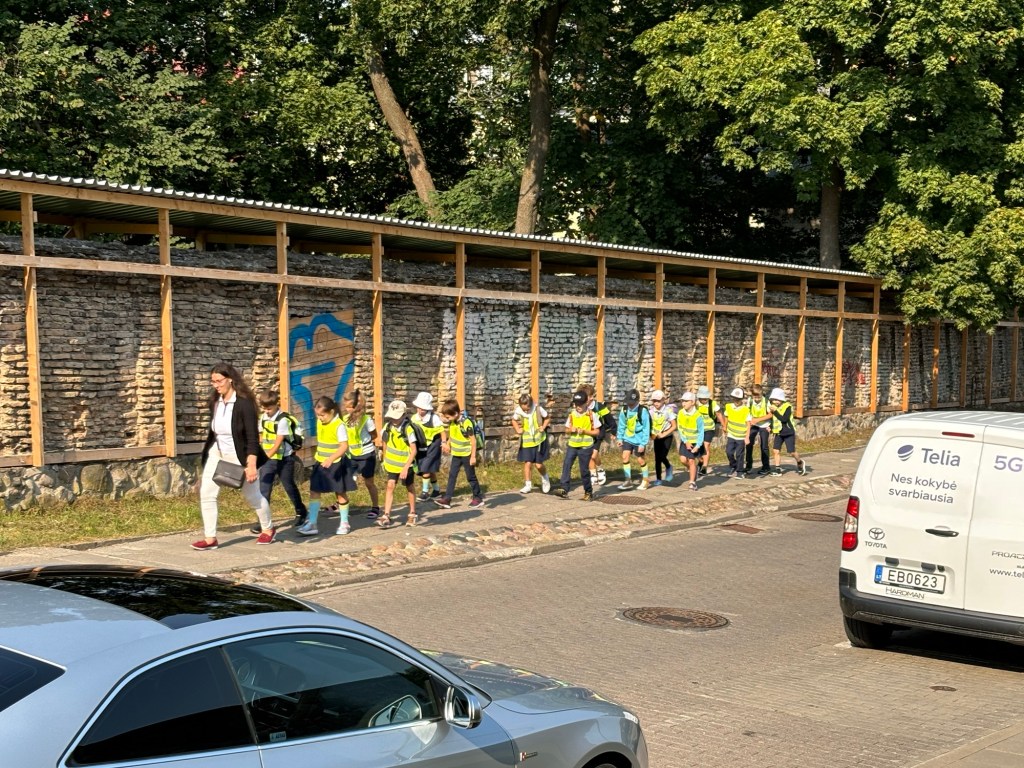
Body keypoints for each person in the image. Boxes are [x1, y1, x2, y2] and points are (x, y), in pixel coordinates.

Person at [192, 362, 273, 551]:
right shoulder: (215, 402)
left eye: (219, 381)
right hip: (217, 454)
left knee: (253, 496)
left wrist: (251, 465)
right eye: (213, 381)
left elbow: (252, 438)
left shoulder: (244, 404)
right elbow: (214, 432)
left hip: (240, 457)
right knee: (207, 493)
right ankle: (210, 538)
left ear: (230, 379)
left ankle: (268, 529)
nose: (216, 385)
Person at [297, 396, 356, 536]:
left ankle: (344, 523)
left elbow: (344, 446)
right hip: (320, 462)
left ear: (331, 411)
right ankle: (312, 523)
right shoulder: (320, 422)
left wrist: (331, 458)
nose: (319, 418)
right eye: (317, 415)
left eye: (322, 415)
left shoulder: (339, 425)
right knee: (314, 491)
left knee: (340, 493)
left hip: (336, 464)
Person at [254, 389, 307, 530]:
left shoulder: (282, 420)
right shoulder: (263, 417)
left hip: (284, 459)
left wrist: (265, 456)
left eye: (269, 408)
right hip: (269, 460)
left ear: (276, 404)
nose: (267, 411)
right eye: (264, 408)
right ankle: (263, 521)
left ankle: (301, 511)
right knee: (264, 489)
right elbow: (261, 435)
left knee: (289, 486)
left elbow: (278, 442)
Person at [434, 399, 484, 509]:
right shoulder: (453, 422)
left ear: (456, 414)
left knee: (470, 477)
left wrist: (473, 456)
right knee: (452, 475)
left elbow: (473, 441)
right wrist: (448, 445)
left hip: (467, 454)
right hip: (456, 454)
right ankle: (447, 499)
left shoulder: (466, 423)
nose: (447, 419)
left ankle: (478, 498)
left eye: (448, 417)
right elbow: (452, 436)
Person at [377, 399, 419, 527]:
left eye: (397, 417)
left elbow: (414, 450)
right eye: (392, 417)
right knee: (390, 486)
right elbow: (384, 442)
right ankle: (386, 515)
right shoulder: (387, 427)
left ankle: (412, 513)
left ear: (404, 415)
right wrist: (384, 458)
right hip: (392, 465)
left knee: (409, 487)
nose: (394, 420)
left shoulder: (408, 429)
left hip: (406, 465)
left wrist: (406, 467)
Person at [554, 390, 601, 500]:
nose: (578, 407)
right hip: (573, 445)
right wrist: (571, 430)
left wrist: (584, 431)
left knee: (584, 470)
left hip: (585, 446)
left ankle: (588, 492)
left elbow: (597, 432)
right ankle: (564, 489)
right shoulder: (572, 415)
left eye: (580, 404)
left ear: (586, 403)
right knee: (567, 465)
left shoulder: (592, 415)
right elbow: (566, 429)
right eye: (576, 404)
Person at [342, 388, 381, 519]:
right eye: (345, 406)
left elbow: (374, 435)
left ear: (356, 406)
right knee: (344, 479)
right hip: (352, 454)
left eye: (349, 407)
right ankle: (340, 503)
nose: (347, 409)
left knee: (369, 482)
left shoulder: (366, 419)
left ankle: (375, 507)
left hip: (366, 454)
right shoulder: (344, 419)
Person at [512, 393, 551, 494]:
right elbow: (514, 420)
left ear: (530, 405)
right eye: (523, 409)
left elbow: (547, 418)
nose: (525, 411)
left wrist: (543, 427)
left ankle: (545, 478)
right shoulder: (519, 411)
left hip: (539, 440)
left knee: (538, 465)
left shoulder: (538, 409)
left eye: (527, 409)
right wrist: (517, 429)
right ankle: (528, 485)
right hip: (527, 441)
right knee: (528, 463)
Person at [411, 392, 446, 501]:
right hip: (421, 445)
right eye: (418, 408)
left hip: (434, 445)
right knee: (429, 468)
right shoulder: (414, 418)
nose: (420, 411)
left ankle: (425, 492)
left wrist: (444, 443)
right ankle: (436, 490)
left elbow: (442, 431)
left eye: (423, 409)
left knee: (426, 468)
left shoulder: (434, 418)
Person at [616, 388, 652, 490]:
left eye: (632, 403)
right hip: (627, 438)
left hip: (639, 440)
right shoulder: (624, 410)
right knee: (625, 457)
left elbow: (646, 428)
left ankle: (645, 480)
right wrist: (620, 438)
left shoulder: (642, 411)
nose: (630, 405)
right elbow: (622, 424)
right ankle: (628, 480)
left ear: (637, 401)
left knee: (640, 460)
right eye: (628, 403)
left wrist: (643, 443)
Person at [768, 387, 807, 476]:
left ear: (781, 399)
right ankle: (778, 470)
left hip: (788, 432)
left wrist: (775, 411)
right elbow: (774, 419)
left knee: (791, 451)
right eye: (773, 400)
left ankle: (800, 462)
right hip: (779, 432)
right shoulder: (774, 407)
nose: (775, 402)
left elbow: (784, 419)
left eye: (777, 400)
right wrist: (771, 427)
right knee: (775, 450)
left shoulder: (787, 406)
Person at [580, 383, 612, 486]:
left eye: (586, 397)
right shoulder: (580, 407)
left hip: (598, 434)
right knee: (589, 454)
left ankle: (600, 468)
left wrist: (614, 431)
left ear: (591, 397)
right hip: (587, 434)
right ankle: (593, 474)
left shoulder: (599, 407)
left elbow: (610, 420)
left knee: (594, 455)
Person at [676, 392, 706, 491]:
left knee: (691, 460)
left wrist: (698, 445)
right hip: (686, 441)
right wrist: (685, 441)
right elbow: (680, 428)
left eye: (686, 401)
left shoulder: (698, 416)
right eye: (682, 401)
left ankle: (692, 482)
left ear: (692, 402)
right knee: (683, 460)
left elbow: (701, 432)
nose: (683, 403)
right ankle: (694, 470)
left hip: (695, 442)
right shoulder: (681, 413)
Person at [722, 387, 752, 478]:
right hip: (731, 434)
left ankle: (740, 471)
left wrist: (747, 437)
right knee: (729, 452)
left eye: (738, 399)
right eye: (735, 398)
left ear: (742, 399)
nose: (736, 401)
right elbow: (726, 417)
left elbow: (748, 424)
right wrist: (725, 426)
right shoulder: (728, 406)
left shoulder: (745, 410)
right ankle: (733, 465)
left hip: (741, 436)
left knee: (739, 454)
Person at [649, 389, 677, 485]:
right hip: (656, 437)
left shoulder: (668, 411)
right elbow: (649, 424)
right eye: (654, 401)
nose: (656, 403)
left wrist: (664, 434)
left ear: (663, 400)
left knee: (662, 456)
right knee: (657, 458)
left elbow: (674, 426)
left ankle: (668, 467)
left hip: (667, 436)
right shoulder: (651, 411)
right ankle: (658, 479)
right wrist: (651, 434)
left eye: (658, 401)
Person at [745, 383, 772, 476]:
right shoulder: (750, 401)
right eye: (755, 397)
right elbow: (747, 413)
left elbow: (770, 414)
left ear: (761, 394)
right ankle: (748, 465)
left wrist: (758, 419)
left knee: (764, 446)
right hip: (753, 424)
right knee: (749, 444)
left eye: (758, 397)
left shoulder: (766, 401)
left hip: (764, 424)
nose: (756, 399)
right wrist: (750, 422)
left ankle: (766, 467)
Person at [695, 385, 720, 475]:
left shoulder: (713, 404)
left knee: (706, 446)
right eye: (702, 399)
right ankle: (700, 461)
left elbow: (719, 415)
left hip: (709, 429)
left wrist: (724, 426)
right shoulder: (696, 404)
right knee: (697, 447)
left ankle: (704, 467)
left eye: (705, 398)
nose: (704, 400)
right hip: (698, 429)